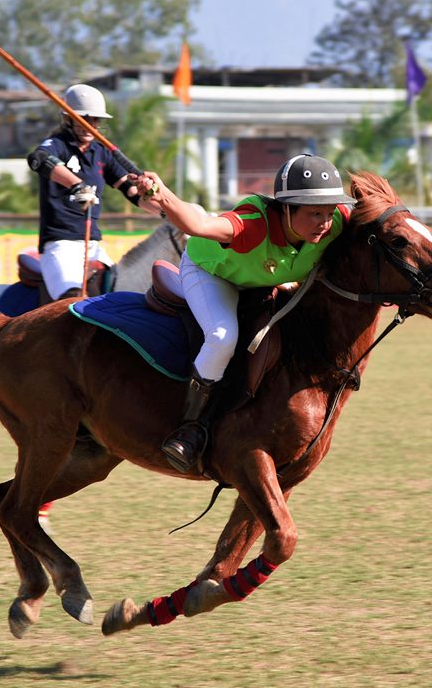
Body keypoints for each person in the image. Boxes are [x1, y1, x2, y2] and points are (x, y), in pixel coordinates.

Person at [134, 154, 356, 473]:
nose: (324, 221)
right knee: (223, 336)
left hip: (261, 280)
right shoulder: (252, 225)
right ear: (286, 209)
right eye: (314, 212)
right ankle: (191, 427)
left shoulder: (335, 224)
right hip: (213, 273)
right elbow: (197, 225)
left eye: (329, 211)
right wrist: (163, 193)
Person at [26, 84, 146, 300]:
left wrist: (167, 209)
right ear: (68, 119)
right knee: (71, 301)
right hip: (60, 244)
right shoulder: (57, 145)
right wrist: (76, 184)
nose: (89, 125)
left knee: (123, 294)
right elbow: (38, 159)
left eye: (94, 120)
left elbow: (133, 192)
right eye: (83, 118)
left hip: (93, 246)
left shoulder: (101, 152)